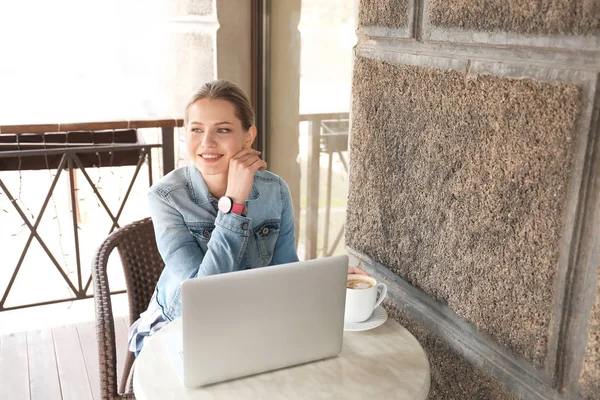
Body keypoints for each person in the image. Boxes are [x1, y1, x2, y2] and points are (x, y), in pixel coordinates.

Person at [128, 80, 367, 356]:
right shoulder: (166, 197)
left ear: (248, 136)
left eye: (223, 129)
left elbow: (284, 271)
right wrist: (234, 204)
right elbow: (203, 300)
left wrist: (325, 281)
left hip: (250, 322)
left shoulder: (274, 190)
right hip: (178, 328)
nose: (207, 142)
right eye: (196, 129)